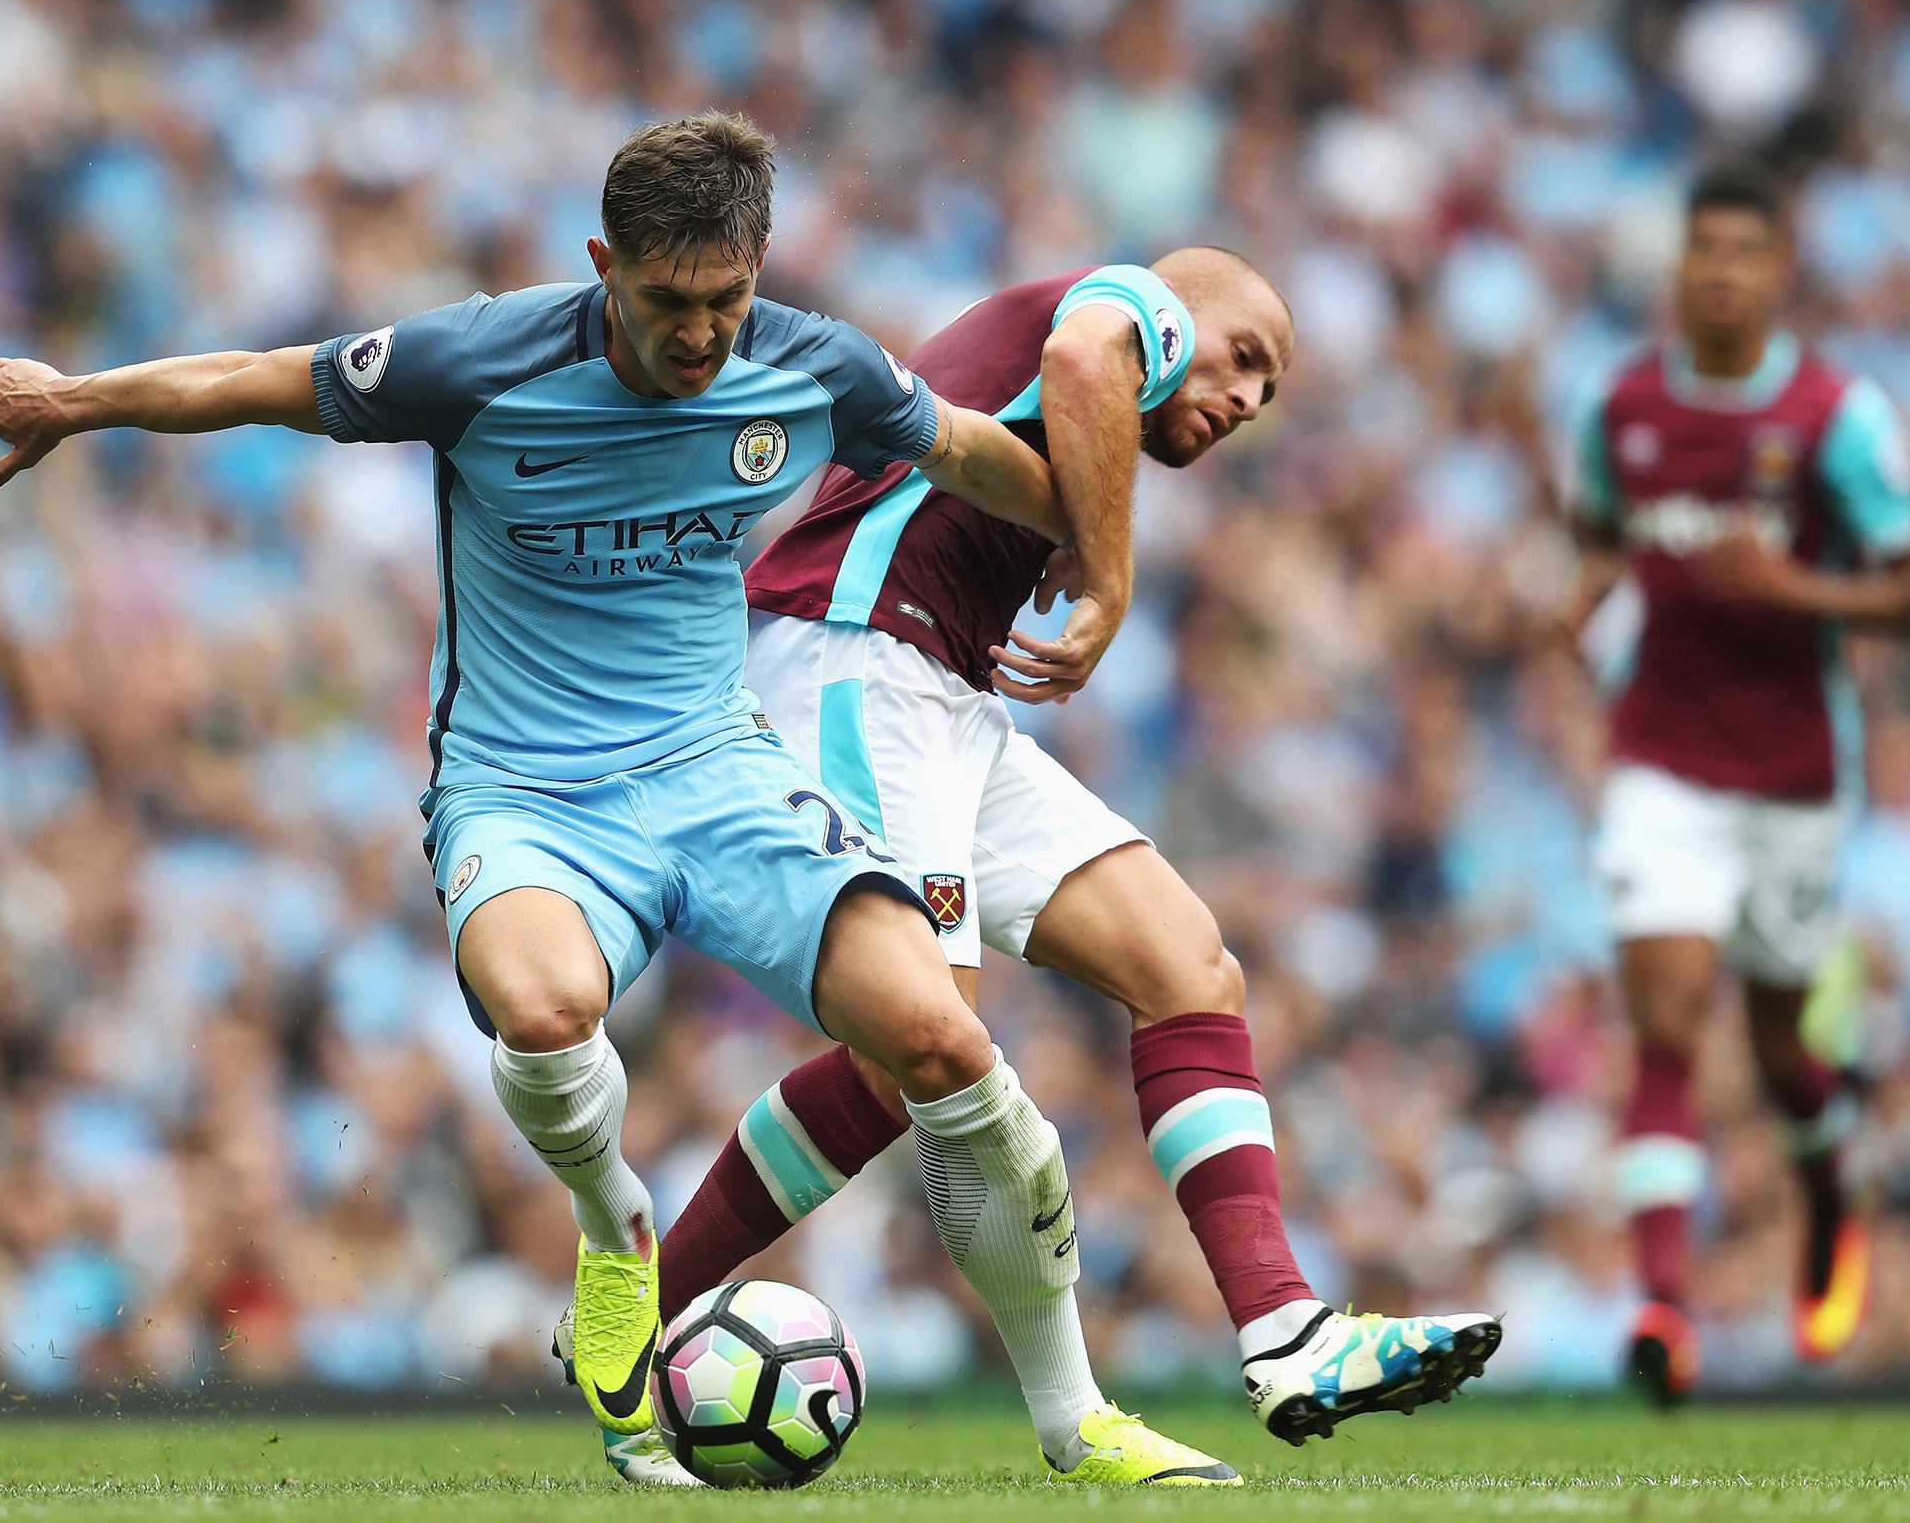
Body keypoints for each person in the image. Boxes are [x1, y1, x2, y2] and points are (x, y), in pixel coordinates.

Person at [0, 113, 1240, 1488]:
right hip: (525, 792)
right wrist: (71, 401)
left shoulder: (814, 365)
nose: (699, 340)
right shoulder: (476, 358)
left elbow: (980, 454)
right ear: (601, 265)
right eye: (668, 304)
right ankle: (615, 1229)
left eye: (725, 304)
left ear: (758, 272)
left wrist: (1098, 561)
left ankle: (1072, 1418)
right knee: (549, 1011)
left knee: (942, 1046)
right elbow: (257, 380)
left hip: (724, 774)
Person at [639, 249, 1499, 1474]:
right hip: (856, 658)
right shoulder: (1121, 300)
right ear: (1179, 311)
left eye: (1271, 394)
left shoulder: (1078, 419)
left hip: (941, 693)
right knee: (923, 1054)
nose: (1248, 401)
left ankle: (1283, 1328)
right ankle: (1047, 1414)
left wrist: (1084, 529)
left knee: (1187, 967)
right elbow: (1087, 354)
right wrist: (1108, 574)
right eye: (1242, 357)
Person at [1563, 161, 1910, 1404]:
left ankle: (1826, 1182)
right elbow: (1597, 534)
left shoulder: (1836, 419)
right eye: (1700, 248)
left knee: (1776, 1050)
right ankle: (1662, 1303)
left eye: (1741, 251)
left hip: (1793, 775)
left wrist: (1797, 592)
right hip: (1658, 754)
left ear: (1777, 272)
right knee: (1662, 1012)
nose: (1718, 270)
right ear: (1678, 267)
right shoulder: (1618, 408)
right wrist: (1588, 602)